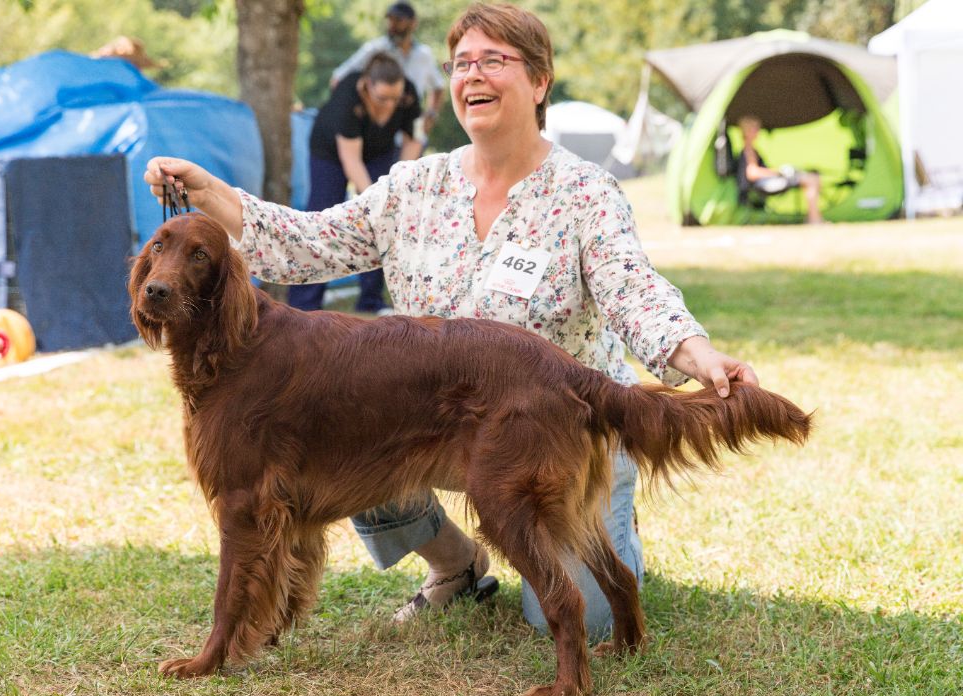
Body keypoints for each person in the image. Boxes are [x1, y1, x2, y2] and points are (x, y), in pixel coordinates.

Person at [144, 2, 759, 637]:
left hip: (552, 427)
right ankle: (455, 564)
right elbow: (308, 242)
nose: (473, 76)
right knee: (340, 418)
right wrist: (208, 191)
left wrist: (698, 355)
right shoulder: (414, 186)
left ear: (540, 81)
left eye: (494, 60)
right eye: (461, 63)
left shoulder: (585, 193)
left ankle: (602, 517)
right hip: (433, 417)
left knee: (586, 618)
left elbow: (634, 292)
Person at [287, 52, 422, 314]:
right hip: (330, 153)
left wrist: (400, 181)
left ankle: (371, 300)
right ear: (367, 86)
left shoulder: (409, 93)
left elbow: (414, 139)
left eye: (395, 99)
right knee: (322, 221)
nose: (391, 105)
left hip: (379, 151)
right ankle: (305, 305)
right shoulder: (347, 96)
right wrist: (378, 199)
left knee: (382, 222)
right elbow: (351, 161)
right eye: (383, 98)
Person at [331, 2, 445, 143]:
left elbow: (439, 87)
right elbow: (338, 79)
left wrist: (431, 115)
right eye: (390, 20)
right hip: (378, 132)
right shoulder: (375, 49)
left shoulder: (424, 55)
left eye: (398, 20)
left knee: (417, 152)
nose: (392, 25)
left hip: (412, 130)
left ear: (413, 23)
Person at [737, 115, 825, 225]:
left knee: (812, 178)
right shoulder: (748, 151)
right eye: (754, 128)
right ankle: (814, 218)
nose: (757, 132)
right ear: (747, 131)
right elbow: (752, 173)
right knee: (811, 180)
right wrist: (777, 172)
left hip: (766, 182)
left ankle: (814, 217)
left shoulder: (752, 150)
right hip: (762, 185)